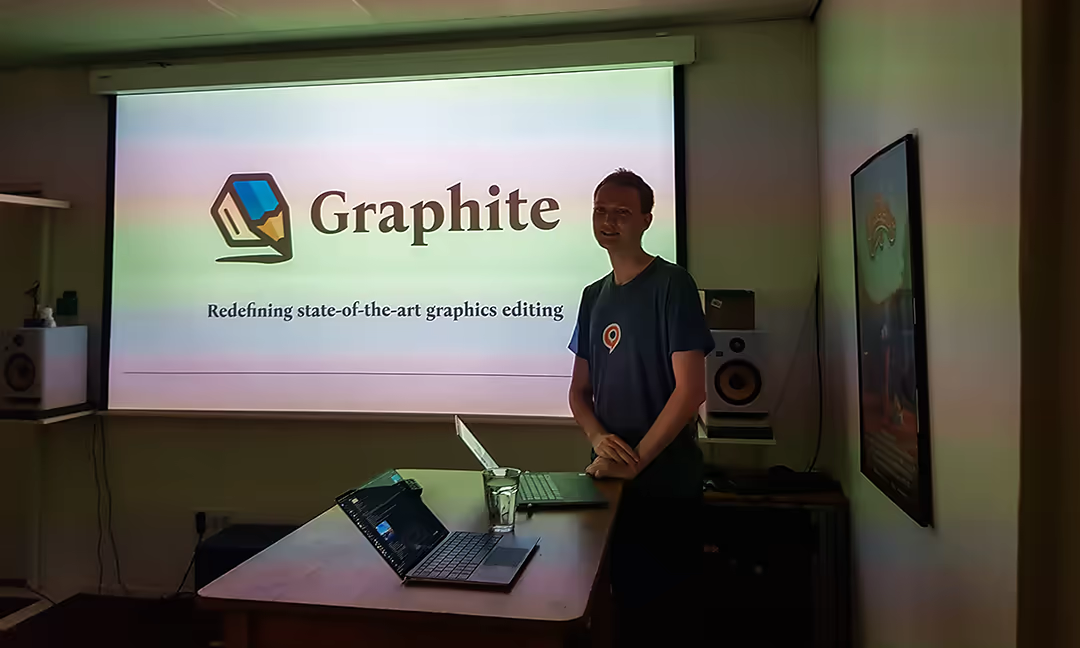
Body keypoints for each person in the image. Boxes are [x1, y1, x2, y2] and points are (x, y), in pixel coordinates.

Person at [568, 169, 714, 645]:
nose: (609, 221)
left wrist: (635, 462)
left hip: (665, 485)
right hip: (608, 482)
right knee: (613, 614)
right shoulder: (593, 296)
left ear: (646, 220)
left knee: (663, 619)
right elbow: (579, 393)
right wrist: (597, 440)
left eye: (622, 212)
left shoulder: (672, 284)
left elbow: (691, 392)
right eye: (600, 211)